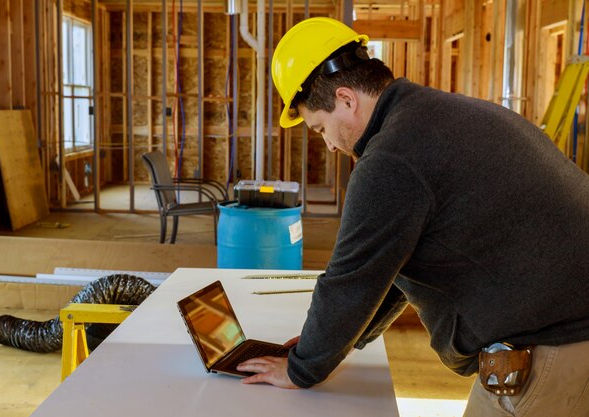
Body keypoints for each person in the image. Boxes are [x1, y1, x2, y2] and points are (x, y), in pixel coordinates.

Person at [236, 16, 589, 417]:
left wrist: (301, 370)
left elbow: (351, 280)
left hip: (559, 347)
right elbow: (393, 267)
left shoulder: (392, 158)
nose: (330, 145)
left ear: (347, 100)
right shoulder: (430, 117)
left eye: (320, 129)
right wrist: (330, 345)